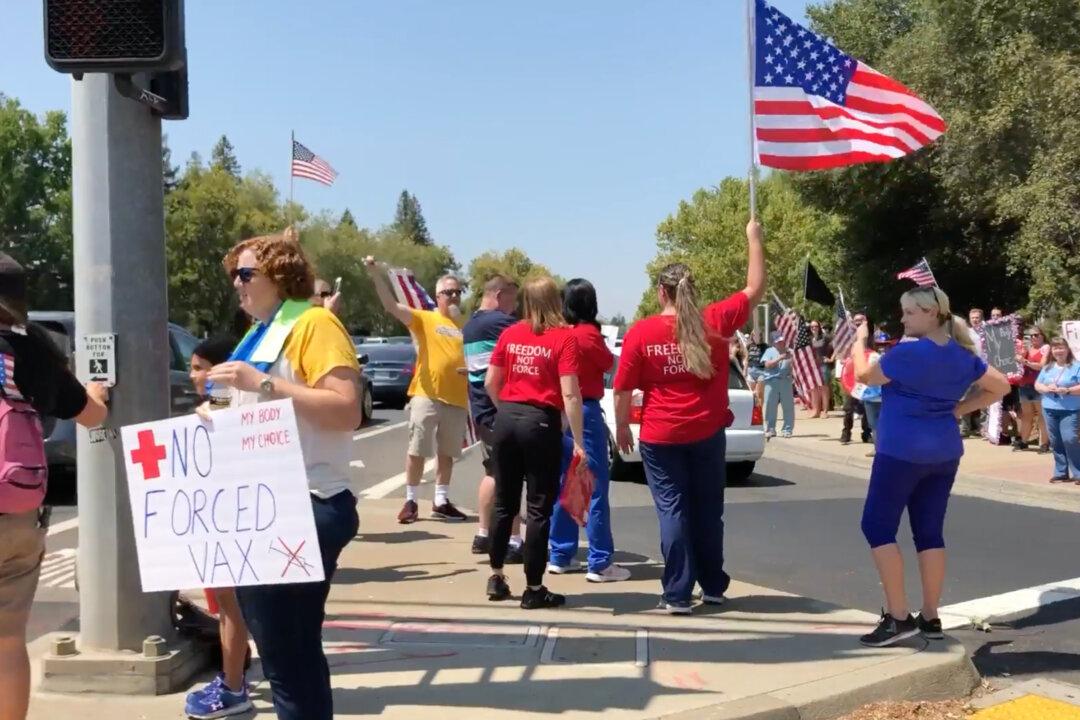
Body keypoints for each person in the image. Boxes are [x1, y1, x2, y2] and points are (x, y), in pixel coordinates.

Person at [205, 229, 362, 720]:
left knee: (288, 658)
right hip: (270, 506)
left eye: (245, 273)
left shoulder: (313, 323)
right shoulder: (262, 332)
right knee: (288, 654)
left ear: (279, 274)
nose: (236, 284)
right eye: (234, 275)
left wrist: (264, 384)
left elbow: (346, 409)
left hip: (306, 504)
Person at [613, 220, 765, 614]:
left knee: (673, 510)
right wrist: (753, 239)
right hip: (707, 432)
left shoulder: (642, 332)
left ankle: (678, 592)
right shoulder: (714, 321)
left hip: (661, 436)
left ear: (660, 292)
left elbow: (623, 388)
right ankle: (712, 585)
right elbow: (755, 288)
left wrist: (622, 426)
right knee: (708, 510)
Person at [853, 286, 1008, 646]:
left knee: (877, 526)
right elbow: (1000, 387)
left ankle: (898, 618)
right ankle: (930, 615)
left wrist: (859, 340)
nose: (903, 318)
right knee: (929, 532)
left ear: (931, 313)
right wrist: (958, 409)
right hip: (944, 452)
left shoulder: (908, 354)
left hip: (900, 451)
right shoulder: (962, 355)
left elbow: (863, 375)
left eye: (909, 312)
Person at [0, 252, 109, 720]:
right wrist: (97, 391)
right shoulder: (34, 350)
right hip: (16, 514)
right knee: (8, 641)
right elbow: (92, 415)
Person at [484, 276, 586, 609]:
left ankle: (496, 575)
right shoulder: (563, 338)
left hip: (506, 418)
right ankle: (534, 587)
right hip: (541, 421)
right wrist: (577, 439)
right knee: (539, 509)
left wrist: (507, 410)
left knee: (504, 503)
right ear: (555, 301)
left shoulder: (510, 334)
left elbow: (490, 382)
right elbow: (570, 393)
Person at [364, 258, 469, 523]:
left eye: (458, 292)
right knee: (418, 448)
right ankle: (410, 500)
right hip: (427, 394)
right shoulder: (425, 318)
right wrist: (375, 274)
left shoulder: (465, 326)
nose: (454, 296)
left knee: (447, 452)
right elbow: (390, 306)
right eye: (448, 292)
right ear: (438, 296)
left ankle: (441, 500)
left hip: (457, 398)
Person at [184, 335, 254, 720]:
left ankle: (233, 685)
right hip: (227, 518)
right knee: (229, 605)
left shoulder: (225, 401)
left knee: (231, 606)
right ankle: (232, 677)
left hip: (231, 521)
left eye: (199, 368)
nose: (192, 375)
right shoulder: (231, 400)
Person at [547, 279, 630, 582]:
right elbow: (610, 365)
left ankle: (560, 553)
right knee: (594, 487)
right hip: (585, 410)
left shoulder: (559, 334)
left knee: (565, 483)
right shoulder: (588, 335)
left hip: (559, 412)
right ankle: (600, 560)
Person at [462, 275, 523, 561]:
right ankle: (513, 540)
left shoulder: (471, 325)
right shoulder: (500, 323)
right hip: (500, 410)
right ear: (499, 295)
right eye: (513, 298)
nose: (515, 306)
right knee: (511, 477)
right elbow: (534, 335)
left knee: (493, 473)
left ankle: (483, 534)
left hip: (481, 411)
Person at [1034, 337, 1080, 483]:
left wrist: (1068, 390)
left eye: (1061, 348)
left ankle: (1078, 472)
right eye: (1055, 348)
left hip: (1070, 409)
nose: (1058, 351)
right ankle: (1061, 472)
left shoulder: (1076, 366)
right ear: (1052, 351)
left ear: (1067, 349)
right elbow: (1037, 385)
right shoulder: (1047, 367)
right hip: (1049, 408)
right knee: (1055, 441)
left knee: (1069, 438)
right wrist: (1047, 388)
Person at [1014, 327, 1050, 453]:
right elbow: (1018, 363)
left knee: (1041, 415)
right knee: (1027, 415)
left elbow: (1041, 366)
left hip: (1039, 385)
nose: (1033, 337)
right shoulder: (1027, 348)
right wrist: (1021, 354)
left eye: (1036, 335)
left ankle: (1044, 443)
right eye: (1031, 336)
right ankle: (1024, 441)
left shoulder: (1046, 348)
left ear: (1042, 336)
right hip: (1025, 384)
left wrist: (1025, 361)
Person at [840, 313, 872, 445]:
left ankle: (866, 433)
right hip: (851, 378)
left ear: (865, 321)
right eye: (855, 320)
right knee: (848, 408)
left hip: (866, 376)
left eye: (860, 320)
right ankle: (846, 433)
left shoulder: (871, 337)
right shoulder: (848, 337)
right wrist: (845, 360)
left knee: (866, 408)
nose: (858, 322)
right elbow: (842, 354)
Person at [760, 333, 795, 439]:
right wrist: (780, 358)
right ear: (774, 343)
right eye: (778, 341)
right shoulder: (769, 351)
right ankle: (770, 429)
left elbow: (795, 366)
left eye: (782, 341)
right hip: (771, 381)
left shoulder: (790, 352)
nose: (781, 343)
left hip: (785, 381)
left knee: (788, 407)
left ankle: (787, 430)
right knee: (770, 406)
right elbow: (767, 365)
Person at [961, 308, 986, 437]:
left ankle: (984, 428)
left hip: (986, 370)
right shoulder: (967, 333)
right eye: (973, 318)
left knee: (985, 399)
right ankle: (965, 428)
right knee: (965, 398)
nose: (975, 320)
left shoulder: (988, 331)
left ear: (982, 318)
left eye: (977, 317)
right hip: (969, 370)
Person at [808, 320, 831, 418]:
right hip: (812, 366)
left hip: (823, 365)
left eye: (816, 326)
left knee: (824, 388)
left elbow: (837, 345)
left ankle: (825, 411)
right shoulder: (808, 339)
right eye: (812, 326)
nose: (814, 328)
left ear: (819, 327)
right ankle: (816, 410)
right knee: (814, 389)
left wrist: (831, 358)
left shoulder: (825, 337)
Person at [744, 329, 767, 405]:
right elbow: (746, 359)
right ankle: (752, 411)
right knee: (750, 395)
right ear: (752, 336)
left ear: (760, 336)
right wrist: (744, 371)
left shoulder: (765, 346)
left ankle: (760, 411)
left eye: (758, 335)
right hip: (751, 371)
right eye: (754, 335)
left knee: (759, 394)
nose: (756, 337)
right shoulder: (749, 346)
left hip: (761, 371)